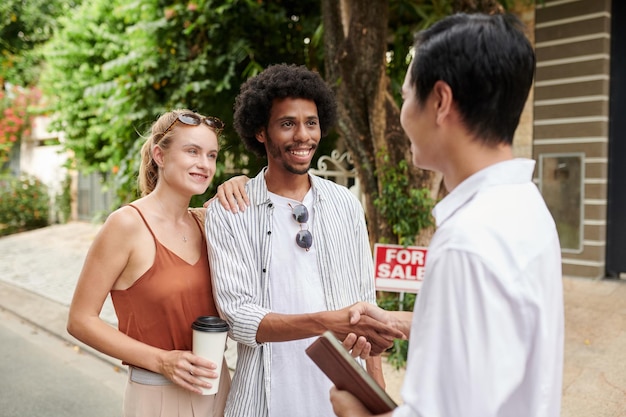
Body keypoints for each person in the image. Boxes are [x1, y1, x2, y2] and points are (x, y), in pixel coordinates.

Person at [330, 12, 564, 417]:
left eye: (404, 95)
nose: (402, 113)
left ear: (440, 101)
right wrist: (399, 322)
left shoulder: (467, 241)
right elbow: (492, 339)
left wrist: (354, 411)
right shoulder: (525, 204)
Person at [205, 63, 403, 417]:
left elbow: (364, 299)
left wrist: (377, 387)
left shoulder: (345, 203)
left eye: (311, 122)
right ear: (261, 132)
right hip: (263, 400)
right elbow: (239, 319)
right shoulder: (230, 211)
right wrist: (331, 321)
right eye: (287, 124)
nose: (303, 135)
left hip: (343, 399)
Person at [67, 109, 231, 417]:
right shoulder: (126, 225)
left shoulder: (208, 223)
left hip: (218, 388)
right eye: (192, 151)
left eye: (211, 155)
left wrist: (244, 183)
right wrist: (161, 361)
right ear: (160, 154)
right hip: (158, 396)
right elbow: (80, 320)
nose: (205, 164)